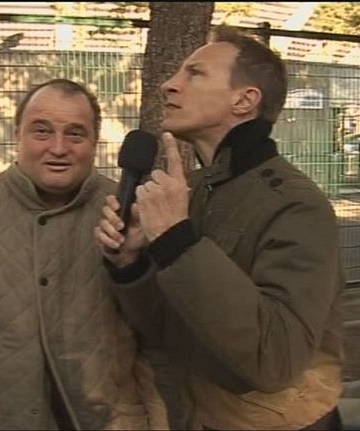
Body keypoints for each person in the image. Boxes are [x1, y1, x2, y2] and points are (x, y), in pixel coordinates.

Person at [95, 26, 344, 430]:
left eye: (195, 73)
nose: (168, 84)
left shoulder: (296, 205)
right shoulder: (192, 193)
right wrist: (131, 265)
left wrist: (179, 241)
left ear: (244, 100)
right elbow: (166, 329)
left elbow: (275, 360)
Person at [0, 79, 164, 430]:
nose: (58, 148)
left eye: (75, 134)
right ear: (17, 136)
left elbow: (159, 334)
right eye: (42, 131)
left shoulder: (128, 215)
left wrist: (131, 266)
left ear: (94, 143)